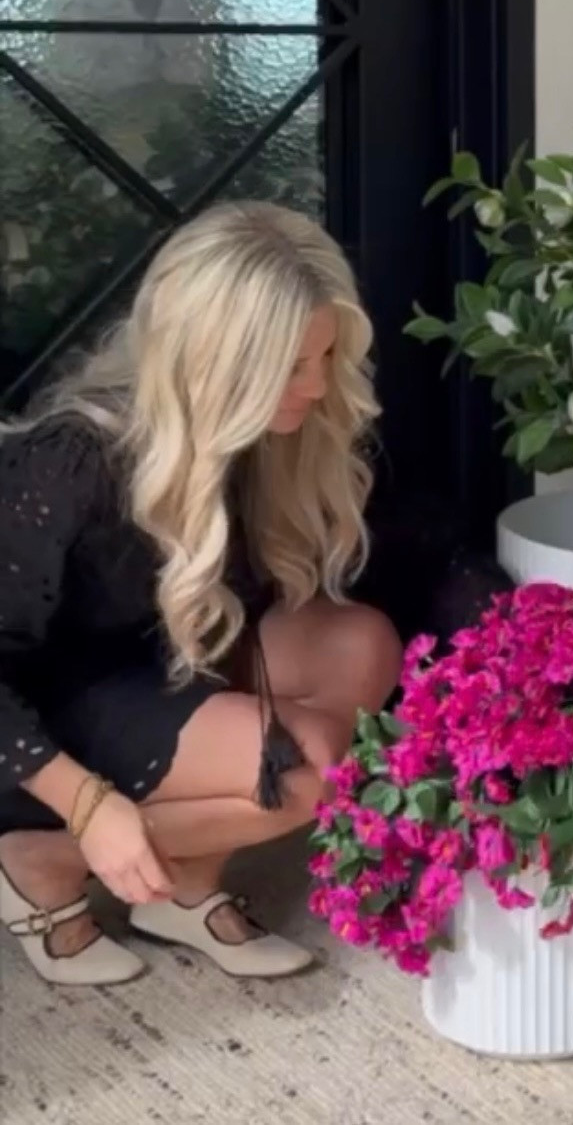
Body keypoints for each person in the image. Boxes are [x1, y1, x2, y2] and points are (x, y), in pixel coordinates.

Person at [0, 203, 402, 985]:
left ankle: (180, 888)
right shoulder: (70, 464)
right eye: (291, 365)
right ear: (215, 362)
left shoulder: (264, 439)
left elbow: (421, 534)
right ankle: (42, 858)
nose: (318, 386)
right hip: (37, 719)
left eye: (323, 356)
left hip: (158, 672)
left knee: (363, 644)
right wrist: (87, 806)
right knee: (301, 775)